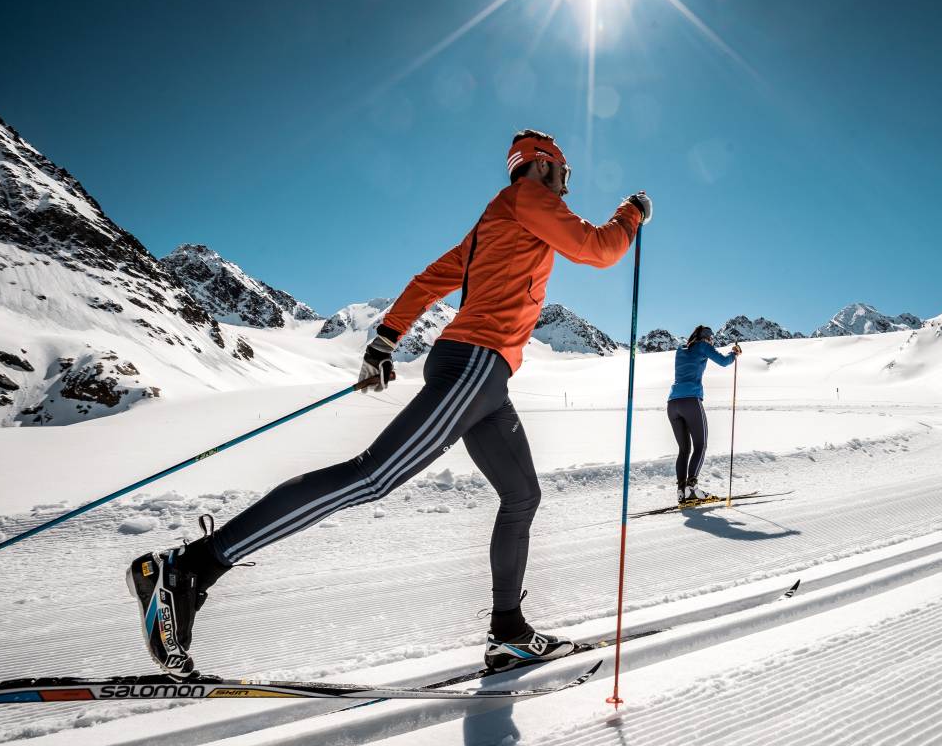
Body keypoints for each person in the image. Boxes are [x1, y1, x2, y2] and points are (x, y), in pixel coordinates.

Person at [127, 129, 652, 678]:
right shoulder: (529, 198)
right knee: (371, 476)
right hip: (476, 364)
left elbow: (429, 280)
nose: (566, 189)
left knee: (522, 495)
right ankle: (189, 569)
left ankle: (508, 634)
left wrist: (384, 341)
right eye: (565, 175)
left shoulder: (494, 224)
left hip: (484, 378)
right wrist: (631, 213)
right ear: (544, 166)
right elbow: (600, 249)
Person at [667, 326, 741, 504]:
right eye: (711, 338)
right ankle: (692, 488)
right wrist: (734, 354)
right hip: (691, 401)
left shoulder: (680, 350)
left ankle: (681, 491)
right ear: (706, 338)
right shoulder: (703, 346)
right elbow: (723, 362)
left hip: (672, 404)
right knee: (701, 445)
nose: (712, 341)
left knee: (684, 450)